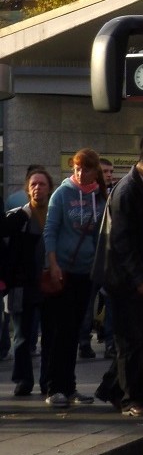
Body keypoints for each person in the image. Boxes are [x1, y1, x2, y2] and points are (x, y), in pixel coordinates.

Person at [93, 138, 143, 417]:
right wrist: (141, 278)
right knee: (130, 340)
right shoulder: (128, 191)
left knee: (141, 338)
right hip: (125, 281)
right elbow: (122, 242)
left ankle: (112, 390)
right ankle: (132, 400)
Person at [41, 148, 106, 408]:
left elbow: (99, 235)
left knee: (77, 329)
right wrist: (53, 264)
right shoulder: (62, 194)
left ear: (94, 171)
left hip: (85, 273)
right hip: (63, 272)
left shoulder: (99, 196)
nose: (80, 173)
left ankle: (70, 387)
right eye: (77, 168)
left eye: (86, 168)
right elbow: (50, 231)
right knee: (61, 331)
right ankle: (55, 387)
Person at [2, 167, 53, 396]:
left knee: (50, 335)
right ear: (27, 188)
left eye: (42, 184)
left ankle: (48, 380)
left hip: (50, 284)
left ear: (50, 189)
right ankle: (23, 379)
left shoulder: (55, 215)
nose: (37, 188)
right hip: (22, 285)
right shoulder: (18, 216)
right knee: (22, 336)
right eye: (33, 184)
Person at [79, 157, 118, 359]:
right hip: (90, 259)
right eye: (105, 171)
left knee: (111, 301)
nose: (109, 175)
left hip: (109, 259)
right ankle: (84, 342)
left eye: (111, 171)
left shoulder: (114, 194)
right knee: (88, 303)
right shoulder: (87, 197)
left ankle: (111, 342)